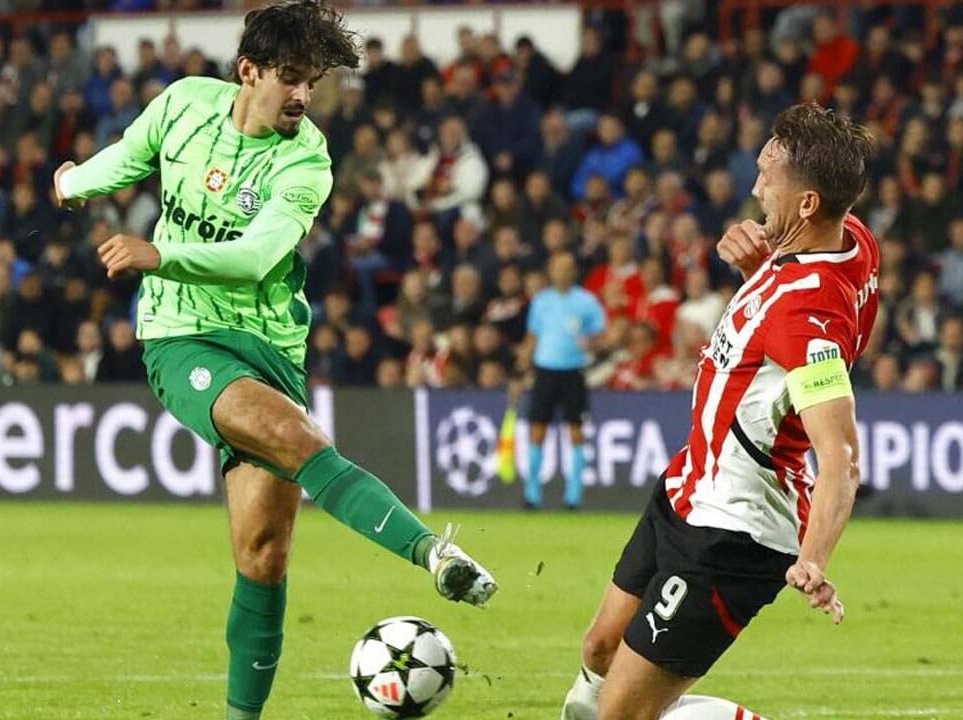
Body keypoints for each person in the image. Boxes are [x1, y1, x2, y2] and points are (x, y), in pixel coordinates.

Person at [49, 4, 498, 719]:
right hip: (182, 335)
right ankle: (432, 554)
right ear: (248, 71)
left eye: (311, 82)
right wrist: (71, 185)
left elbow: (256, 257)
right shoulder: (183, 106)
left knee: (263, 556)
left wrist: (159, 253)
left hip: (272, 349)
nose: (302, 95)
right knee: (296, 438)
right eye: (290, 77)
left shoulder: (306, 160)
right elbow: (128, 156)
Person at [561, 104, 879, 720]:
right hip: (689, 484)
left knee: (623, 712)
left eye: (768, 179)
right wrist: (762, 268)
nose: (755, 190)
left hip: (733, 530)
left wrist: (814, 559)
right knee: (599, 650)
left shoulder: (807, 318)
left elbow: (840, 456)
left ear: (808, 203)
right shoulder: (852, 240)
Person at [522, 252, 606, 510]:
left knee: (576, 432)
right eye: (558, 268)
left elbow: (601, 335)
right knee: (537, 431)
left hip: (573, 372)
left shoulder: (587, 302)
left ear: (574, 271)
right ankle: (532, 494)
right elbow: (532, 337)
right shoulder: (541, 301)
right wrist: (522, 369)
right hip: (545, 370)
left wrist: (590, 343)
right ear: (551, 271)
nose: (563, 273)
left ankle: (573, 496)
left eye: (568, 268)